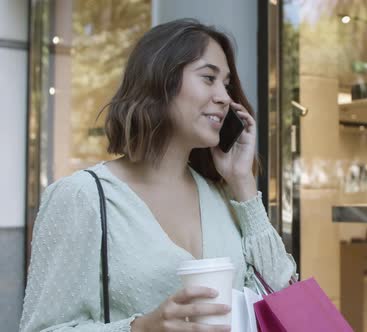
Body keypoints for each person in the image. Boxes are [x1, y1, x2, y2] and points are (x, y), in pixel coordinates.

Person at [20, 18, 296, 332]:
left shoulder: (222, 195)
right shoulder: (82, 197)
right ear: (160, 81)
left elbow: (283, 293)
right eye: (208, 78)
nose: (224, 96)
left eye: (227, 84)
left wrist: (243, 184)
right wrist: (142, 328)